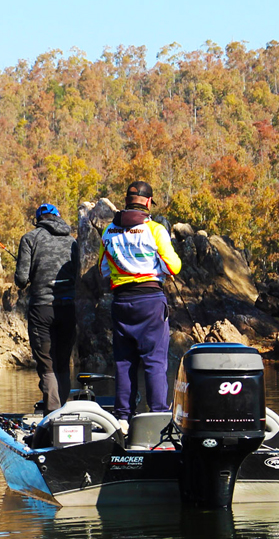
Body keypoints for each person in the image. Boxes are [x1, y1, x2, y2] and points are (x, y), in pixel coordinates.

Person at [98, 181, 183, 428]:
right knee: (155, 361)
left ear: (126, 201)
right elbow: (173, 266)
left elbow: (104, 270)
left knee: (124, 363)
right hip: (150, 302)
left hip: (121, 302)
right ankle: (157, 416)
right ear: (147, 202)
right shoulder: (155, 230)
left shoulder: (108, 232)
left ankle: (123, 418)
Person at [15, 203, 79, 413]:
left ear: (39, 219)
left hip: (42, 309)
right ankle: (64, 413)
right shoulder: (72, 242)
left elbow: (21, 279)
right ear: (58, 218)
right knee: (62, 363)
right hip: (68, 309)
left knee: (48, 365)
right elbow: (76, 276)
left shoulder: (30, 238)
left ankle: (53, 417)